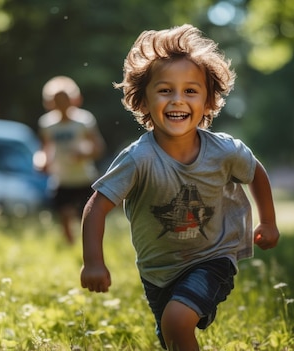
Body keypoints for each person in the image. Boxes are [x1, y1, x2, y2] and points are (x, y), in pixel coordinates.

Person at [79, 24, 280, 351]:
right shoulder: (138, 159)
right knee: (171, 335)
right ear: (142, 100)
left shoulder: (224, 151)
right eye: (165, 90)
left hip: (213, 256)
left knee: (176, 321)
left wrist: (268, 222)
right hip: (157, 272)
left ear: (208, 100)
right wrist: (93, 261)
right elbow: (97, 207)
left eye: (190, 91)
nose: (178, 100)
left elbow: (255, 172)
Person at [38, 76, 106, 244]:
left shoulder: (84, 121)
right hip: (61, 179)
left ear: (74, 99)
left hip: (84, 177)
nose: (61, 104)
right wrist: (41, 162)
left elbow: (98, 148)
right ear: (50, 102)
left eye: (65, 99)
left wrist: (83, 154)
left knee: (86, 216)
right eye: (57, 100)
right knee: (64, 215)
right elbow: (45, 150)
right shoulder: (46, 124)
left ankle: (89, 247)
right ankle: (71, 248)